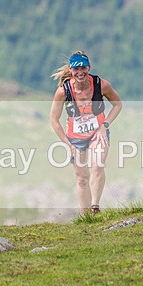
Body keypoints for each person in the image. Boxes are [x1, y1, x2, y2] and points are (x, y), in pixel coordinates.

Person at [50, 51, 122, 215]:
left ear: (89, 67)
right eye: (76, 69)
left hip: (98, 133)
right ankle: (86, 218)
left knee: (97, 166)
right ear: (71, 70)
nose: (80, 72)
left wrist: (104, 125)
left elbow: (117, 105)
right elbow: (54, 119)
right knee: (82, 178)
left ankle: (95, 206)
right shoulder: (63, 91)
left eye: (83, 68)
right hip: (75, 137)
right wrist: (67, 144)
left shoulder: (101, 84)